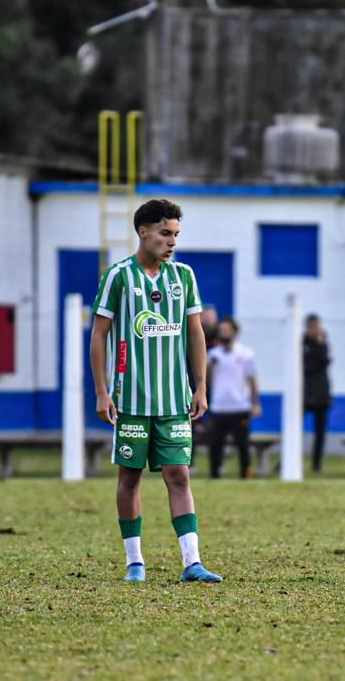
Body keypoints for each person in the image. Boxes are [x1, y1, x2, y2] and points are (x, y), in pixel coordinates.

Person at [89, 198, 222, 584]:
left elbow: (195, 333)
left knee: (179, 474)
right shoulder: (118, 277)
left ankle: (192, 562)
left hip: (174, 400)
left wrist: (200, 386)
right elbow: (99, 335)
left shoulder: (184, 277)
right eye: (166, 233)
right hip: (130, 400)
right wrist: (102, 391)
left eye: (176, 234)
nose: (172, 242)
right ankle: (135, 563)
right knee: (129, 479)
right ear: (143, 231)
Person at [206, 317, 261, 479]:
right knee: (215, 445)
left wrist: (255, 403)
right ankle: (214, 476)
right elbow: (207, 381)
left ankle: (246, 475)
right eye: (222, 330)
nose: (224, 333)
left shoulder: (246, 354)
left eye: (227, 330)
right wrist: (209, 367)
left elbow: (252, 380)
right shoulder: (213, 355)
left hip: (239, 407)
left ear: (235, 332)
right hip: (219, 407)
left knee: (243, 445)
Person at [303, 313, 332, 473]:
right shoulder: (301, 342)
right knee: (294, 428)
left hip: (321, 392)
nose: (315, 329)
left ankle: (317, 464)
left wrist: (319, 344)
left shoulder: (323, 343)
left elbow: (325, 362)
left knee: (320, 432)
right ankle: (289, 460)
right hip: (305, 392)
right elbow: (305, 366)